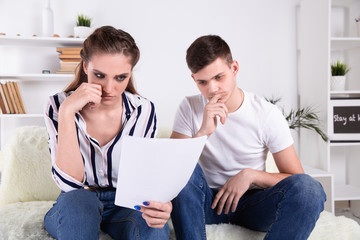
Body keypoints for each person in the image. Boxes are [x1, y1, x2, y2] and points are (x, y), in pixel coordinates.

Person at [170, 35, 326, 240]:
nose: (212, 89)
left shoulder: (266, 113)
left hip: (254, 204)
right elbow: (171, 171)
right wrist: (203, 133)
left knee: (310, 189)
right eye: (203, 82)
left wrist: (251, 176)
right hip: (206, 203)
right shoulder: (189, 107)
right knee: (184, 166)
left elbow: (296, 177)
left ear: (234, 68)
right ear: (194, 79)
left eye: (219, 77)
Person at [43, 26, 171, 240]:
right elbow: (70, 184)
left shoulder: (143, 110)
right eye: (100, 75)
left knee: (154, 229)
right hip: (77, 202)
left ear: (130, 74)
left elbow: (145, 176)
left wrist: (160, 204)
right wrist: (67, 112)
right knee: (79, 201)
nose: (109, 88)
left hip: (126, 205)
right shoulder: (58, 105)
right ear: (85, 66)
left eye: (120, 77)